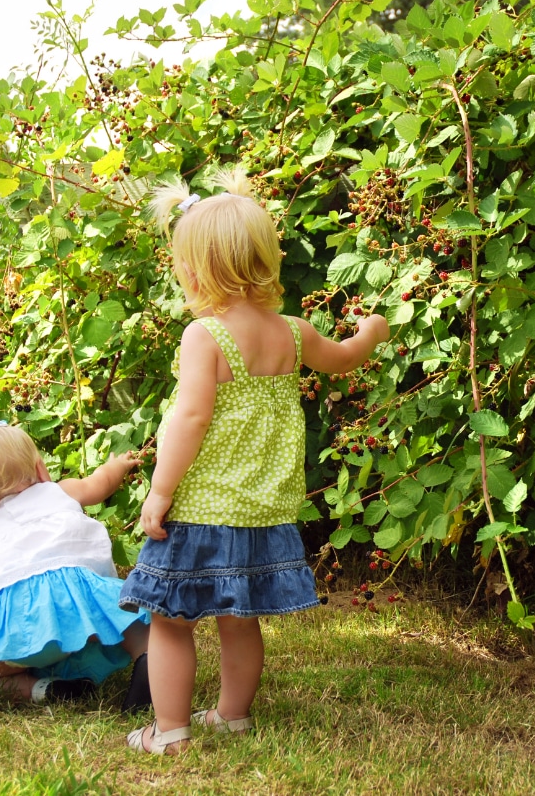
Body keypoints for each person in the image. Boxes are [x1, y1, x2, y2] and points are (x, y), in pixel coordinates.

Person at [120, 168, 390, 754]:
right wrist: (371, 333)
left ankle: (169, 733)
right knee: (240, 618)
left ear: (193, 270)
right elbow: (343, 358)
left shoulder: (205, 337)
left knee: (170, 621)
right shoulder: (291, 333)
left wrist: (161, 490)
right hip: (263, 508)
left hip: (201, 503)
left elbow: (189, 420)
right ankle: (232, 714)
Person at [0, 420, 152, 710]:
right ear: (41, 469)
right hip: (78, 611)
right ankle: (148, 659)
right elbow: (99, 484)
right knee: (137, 626)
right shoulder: (61, 491)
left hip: (17, 632)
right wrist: (117, 466)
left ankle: (42, 689)